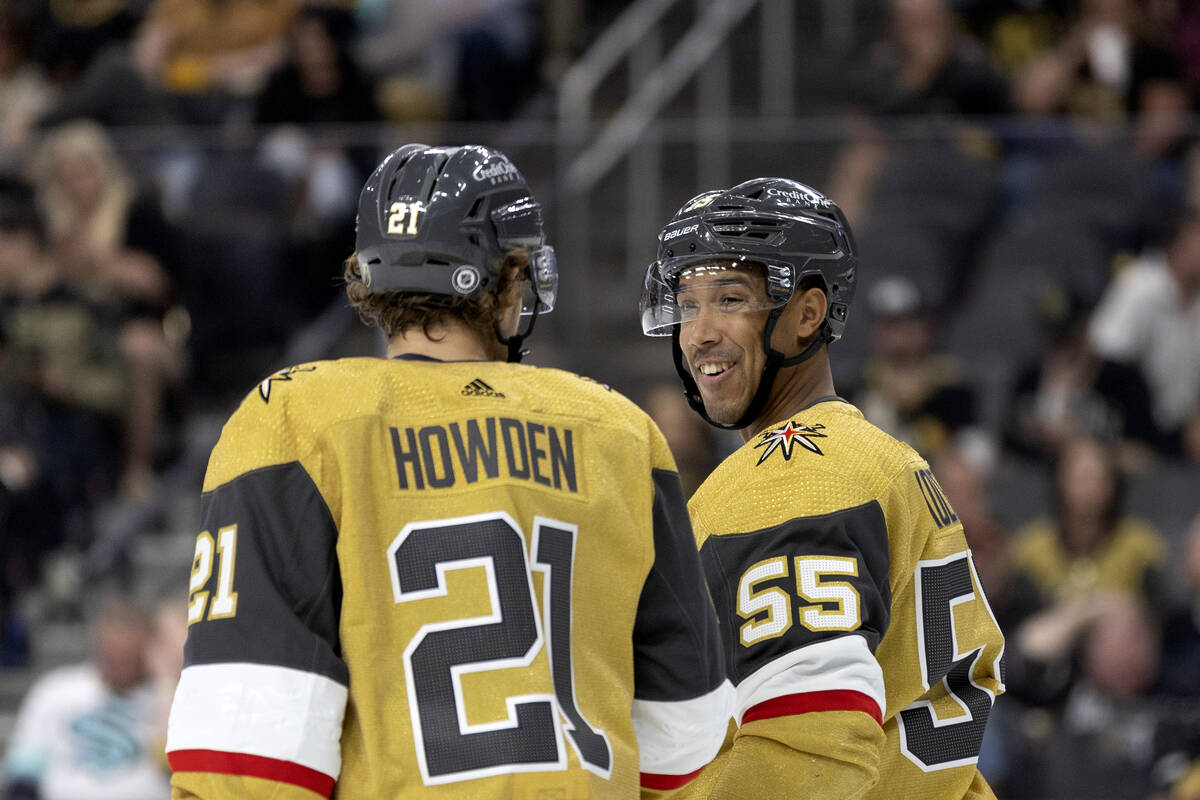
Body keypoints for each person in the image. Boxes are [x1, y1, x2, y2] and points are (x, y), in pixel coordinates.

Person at [166, 143, 731, 799]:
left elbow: (250, 751)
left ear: (363, 276)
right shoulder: (620, 431)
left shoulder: (297, 419)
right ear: (513, 276)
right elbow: (686, 747)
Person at [638, 178, 1006, 798]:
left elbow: (809, 751)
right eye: (687, 301)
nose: (698, 332)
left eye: (729, 299)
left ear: (807, 314)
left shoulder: (796, 474)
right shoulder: (859, 454)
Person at [1, 591, 169, 800]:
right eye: (112, 653)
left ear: (148, 648)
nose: (119, 663)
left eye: (128, 655)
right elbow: (23, 774)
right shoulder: (57, 689)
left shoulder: (166, 697)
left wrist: (165, 678)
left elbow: (177, 767)